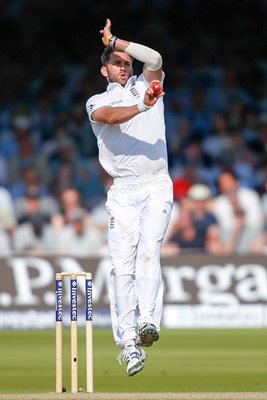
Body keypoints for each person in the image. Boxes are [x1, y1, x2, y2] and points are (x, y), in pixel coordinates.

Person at [86, 19, 173, 377]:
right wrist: (144, 107)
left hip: (155, 183)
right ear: (104, 69)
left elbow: (155, 56)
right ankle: (128, 344)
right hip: (122, 190)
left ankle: (149, 321)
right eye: (117, 62)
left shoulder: (145, 84)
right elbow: (109, 116)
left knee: (150, 249)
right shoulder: (96, 101)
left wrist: (117, 41)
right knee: (122, 266)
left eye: (127, 62)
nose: (124, 67)